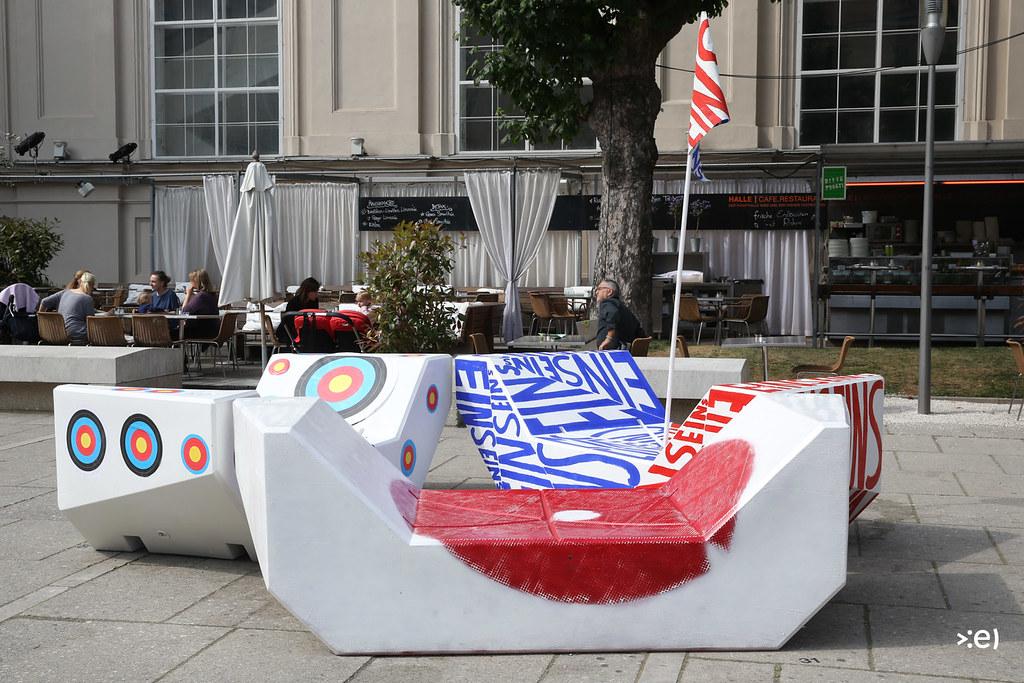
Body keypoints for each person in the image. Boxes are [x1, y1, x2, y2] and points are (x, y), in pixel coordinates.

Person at [38, 271, 101, 343]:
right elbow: (91, 321)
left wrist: (41, 323)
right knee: (103, 330)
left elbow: (44, 301)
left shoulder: (65, 292)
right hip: (77, 333)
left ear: (80, 282)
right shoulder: (87, 298)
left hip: (58, 332)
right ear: (91, 285)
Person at [593, 278, 644, 351]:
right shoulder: (621, 307)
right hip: (623, 351)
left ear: (609, 292)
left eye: (599, 289)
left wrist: (609, 338)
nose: (596, 292)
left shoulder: (607, 303)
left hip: (614, 353)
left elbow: (612, 314)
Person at [277, 277, 320, 343]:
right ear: (307, 292)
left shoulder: (314, 301)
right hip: (289, 332)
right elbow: (289, 321)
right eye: (315, 291)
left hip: (305, 330)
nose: (317, 294)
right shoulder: (294, 302)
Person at [180, 269, 220, 339]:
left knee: (172, 333)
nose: (190, 283)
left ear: (196, 282)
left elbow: (184, 313)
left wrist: (188, 295)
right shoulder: (212, 295)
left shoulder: (200, 296)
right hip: (213, 331)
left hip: (200, 332)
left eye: (191, 281)